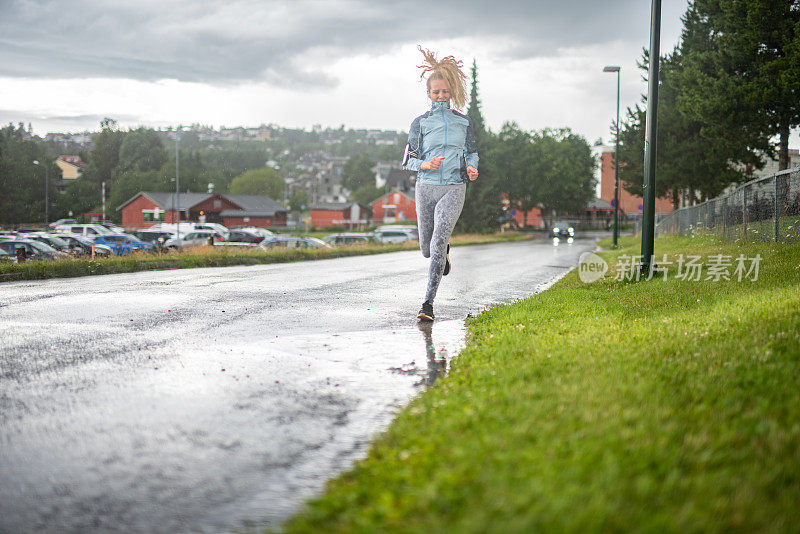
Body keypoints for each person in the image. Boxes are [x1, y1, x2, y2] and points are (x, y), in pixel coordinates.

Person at [402, 46, 479, 321]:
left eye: (445, 92)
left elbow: (472, 152)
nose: (441, 96)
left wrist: (472, 166)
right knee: (427, 249)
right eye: (436, 92)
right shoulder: (420, 123)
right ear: (429, 93)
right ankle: (442, 253)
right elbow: (407, 160)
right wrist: (425, 164)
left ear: (452, 91)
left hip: (454, 187)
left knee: (436, 244)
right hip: (425, 187)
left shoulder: (463, 122)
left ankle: (427, 304)